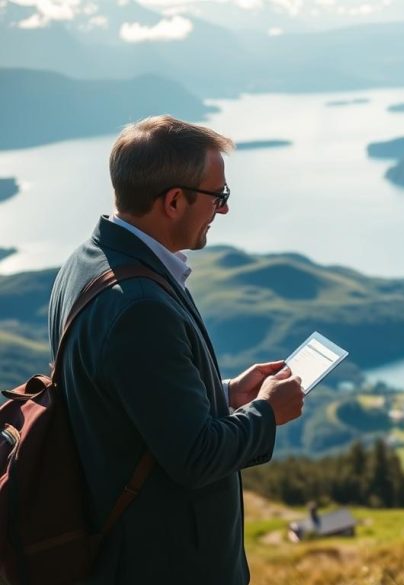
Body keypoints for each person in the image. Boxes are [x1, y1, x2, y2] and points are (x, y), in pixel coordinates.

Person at [47, 115, 306, 584]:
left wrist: (224, 395)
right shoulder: (139, 307)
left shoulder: (86, 262)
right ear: (172, 201)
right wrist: (268, 412)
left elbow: (132, 406)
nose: (222, 210)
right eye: (218, 196)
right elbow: (195, 457)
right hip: (164, 562)